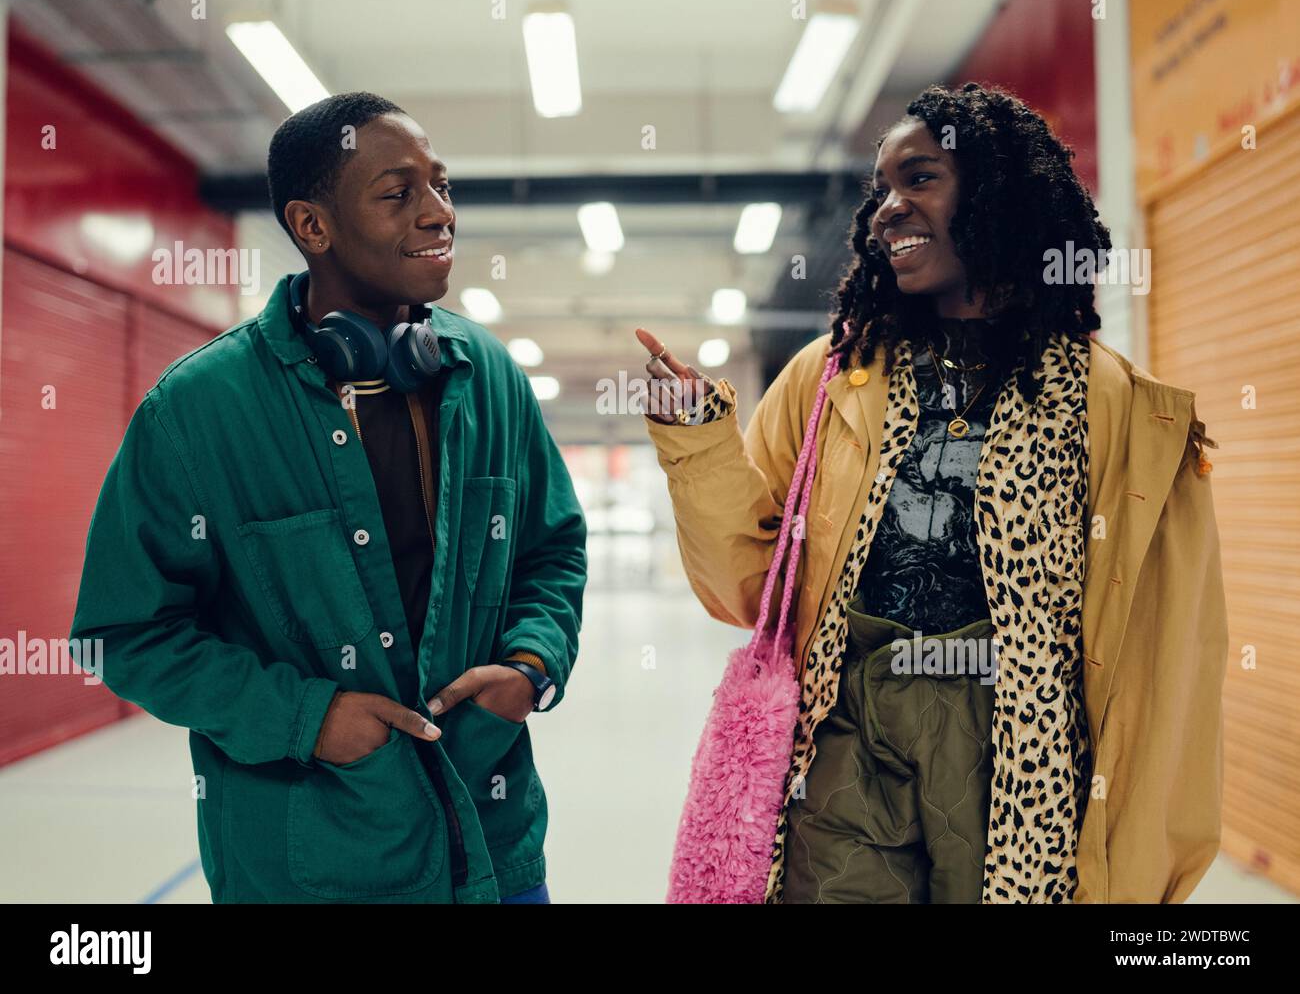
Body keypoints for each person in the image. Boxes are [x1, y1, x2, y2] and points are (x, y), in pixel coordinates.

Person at [637, 82, 1226, 904]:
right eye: (881, 188)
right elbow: (748, 585)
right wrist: (697, 441)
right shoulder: (828, 379)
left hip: (1020, 756)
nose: (887, 208)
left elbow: (1171, 665)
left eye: (920, 179)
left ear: (996, 195)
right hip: (849, 731)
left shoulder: (1119, 409)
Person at [69, 92, 587, 903]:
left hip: (493, 849)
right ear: (312, 226)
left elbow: (551, 548)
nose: (439, 213)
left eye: (442, 186)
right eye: (400, 193)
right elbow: (123, 632)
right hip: (309, 873)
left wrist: (533, 661)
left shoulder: (486, 376)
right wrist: (305, 718)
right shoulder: (200, 410)